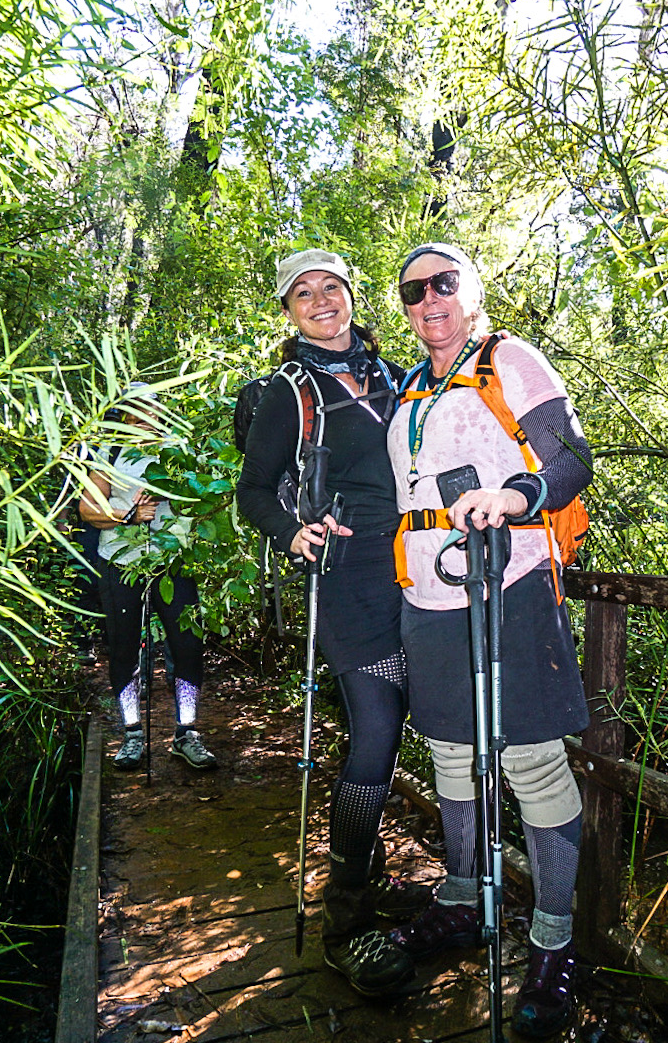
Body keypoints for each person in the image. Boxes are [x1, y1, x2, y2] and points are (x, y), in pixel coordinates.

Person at [385, 242, 593, 1039]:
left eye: (445, 282)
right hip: (428, 593)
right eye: (414, 289)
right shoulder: (410, 387)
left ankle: (553, 943)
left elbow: (571, 458)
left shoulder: (511, 359)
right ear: (404, 307)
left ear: (473, 291)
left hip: (508, 584)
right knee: (446, 752)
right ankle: (462, 902)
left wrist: (515, 493)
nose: (429, 297)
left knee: (530, 761)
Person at [236, 249, 431, 997]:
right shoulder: (290, 391)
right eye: (302, 293)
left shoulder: (398, 374)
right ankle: (345, 924)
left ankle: (374, 882)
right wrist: (291, 532)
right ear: (288, 311)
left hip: (421, 567)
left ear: (351, 295)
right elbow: (252, 491)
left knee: (393, 729)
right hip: (350, 578)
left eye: (331, 287)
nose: (320, 300)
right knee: (378, 738)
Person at [80, 385, 217, 772]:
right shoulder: (110, 452)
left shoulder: (179, 449)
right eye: (135, 409)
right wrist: (128, 516)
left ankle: (187, 733)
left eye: (151, 406)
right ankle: (132, 733)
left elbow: (206, 496)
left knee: (187, 646)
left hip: (172, 563)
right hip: (121, 563)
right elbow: (87, 509)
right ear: (123, 414)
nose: (145, 414)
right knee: (125, 649)